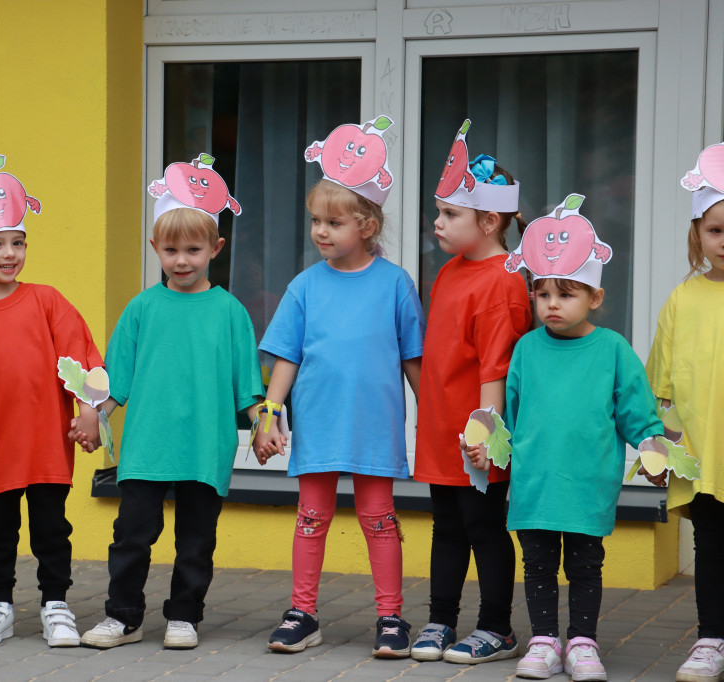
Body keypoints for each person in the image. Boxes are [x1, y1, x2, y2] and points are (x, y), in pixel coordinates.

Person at [254, 115, 425, 658]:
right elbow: (287, 356)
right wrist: (269, 412)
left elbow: (413, 360)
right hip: (321, 423)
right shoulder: (304, 286)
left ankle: (391, 618)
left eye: (333, 222)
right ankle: (302, 612)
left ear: (367, 225)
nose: (321, 232)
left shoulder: (397, 284)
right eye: (315, 221)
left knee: (379, 519)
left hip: (374, 426)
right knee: (310, 519)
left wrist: (437, 417)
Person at [79, 155, 263, 650]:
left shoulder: (230, 312)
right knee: (132, 536)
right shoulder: (141, 308)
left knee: (196, 541)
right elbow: (114, 379)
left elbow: (248, 386)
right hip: (146, 446)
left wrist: (263, 424)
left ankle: (184, 615)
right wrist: (92, 417)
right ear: (156, 247)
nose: (182, 260)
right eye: (172, 250)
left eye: (194, 249)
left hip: (205, 445)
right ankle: (122, 616)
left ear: (216, 248)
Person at [497, 194, 663, 681]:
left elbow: (637, 410)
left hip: (588, 481)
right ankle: (545, 640)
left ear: (594, 297)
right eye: (543, 292)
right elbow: (510, 413)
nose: (552, 303)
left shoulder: (612, 349)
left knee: (586, 565)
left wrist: (652, 446)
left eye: (566, 294)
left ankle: (584, 643)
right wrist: (488, 445)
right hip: (536, 481)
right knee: (539, 564)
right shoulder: (526, 349)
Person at [0, 154, 102, 648]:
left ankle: (57, 604)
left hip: (48, 444)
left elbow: (82, 360)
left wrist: (90, 413)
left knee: (53, 529)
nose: (9, 253)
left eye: (17, 242)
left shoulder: (47, 300)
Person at [411, 119, 531, 665]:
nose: (437, 223)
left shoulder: (503, 279)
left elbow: (496, 366)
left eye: (449, 214)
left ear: (488, 220)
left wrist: (485, 432)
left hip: (478, 434)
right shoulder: (451, 271)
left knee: (483, 527)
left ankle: (497, 628)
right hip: (442, 430)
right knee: (447, 527)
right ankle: (440, 620)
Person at [646, 142, 724, 682]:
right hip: (705, 456)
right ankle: (711, 638)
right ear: (698, 233)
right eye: (717, 229)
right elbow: (662, 388)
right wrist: (666, 447)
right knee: (713, 549)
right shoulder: (682, 299)